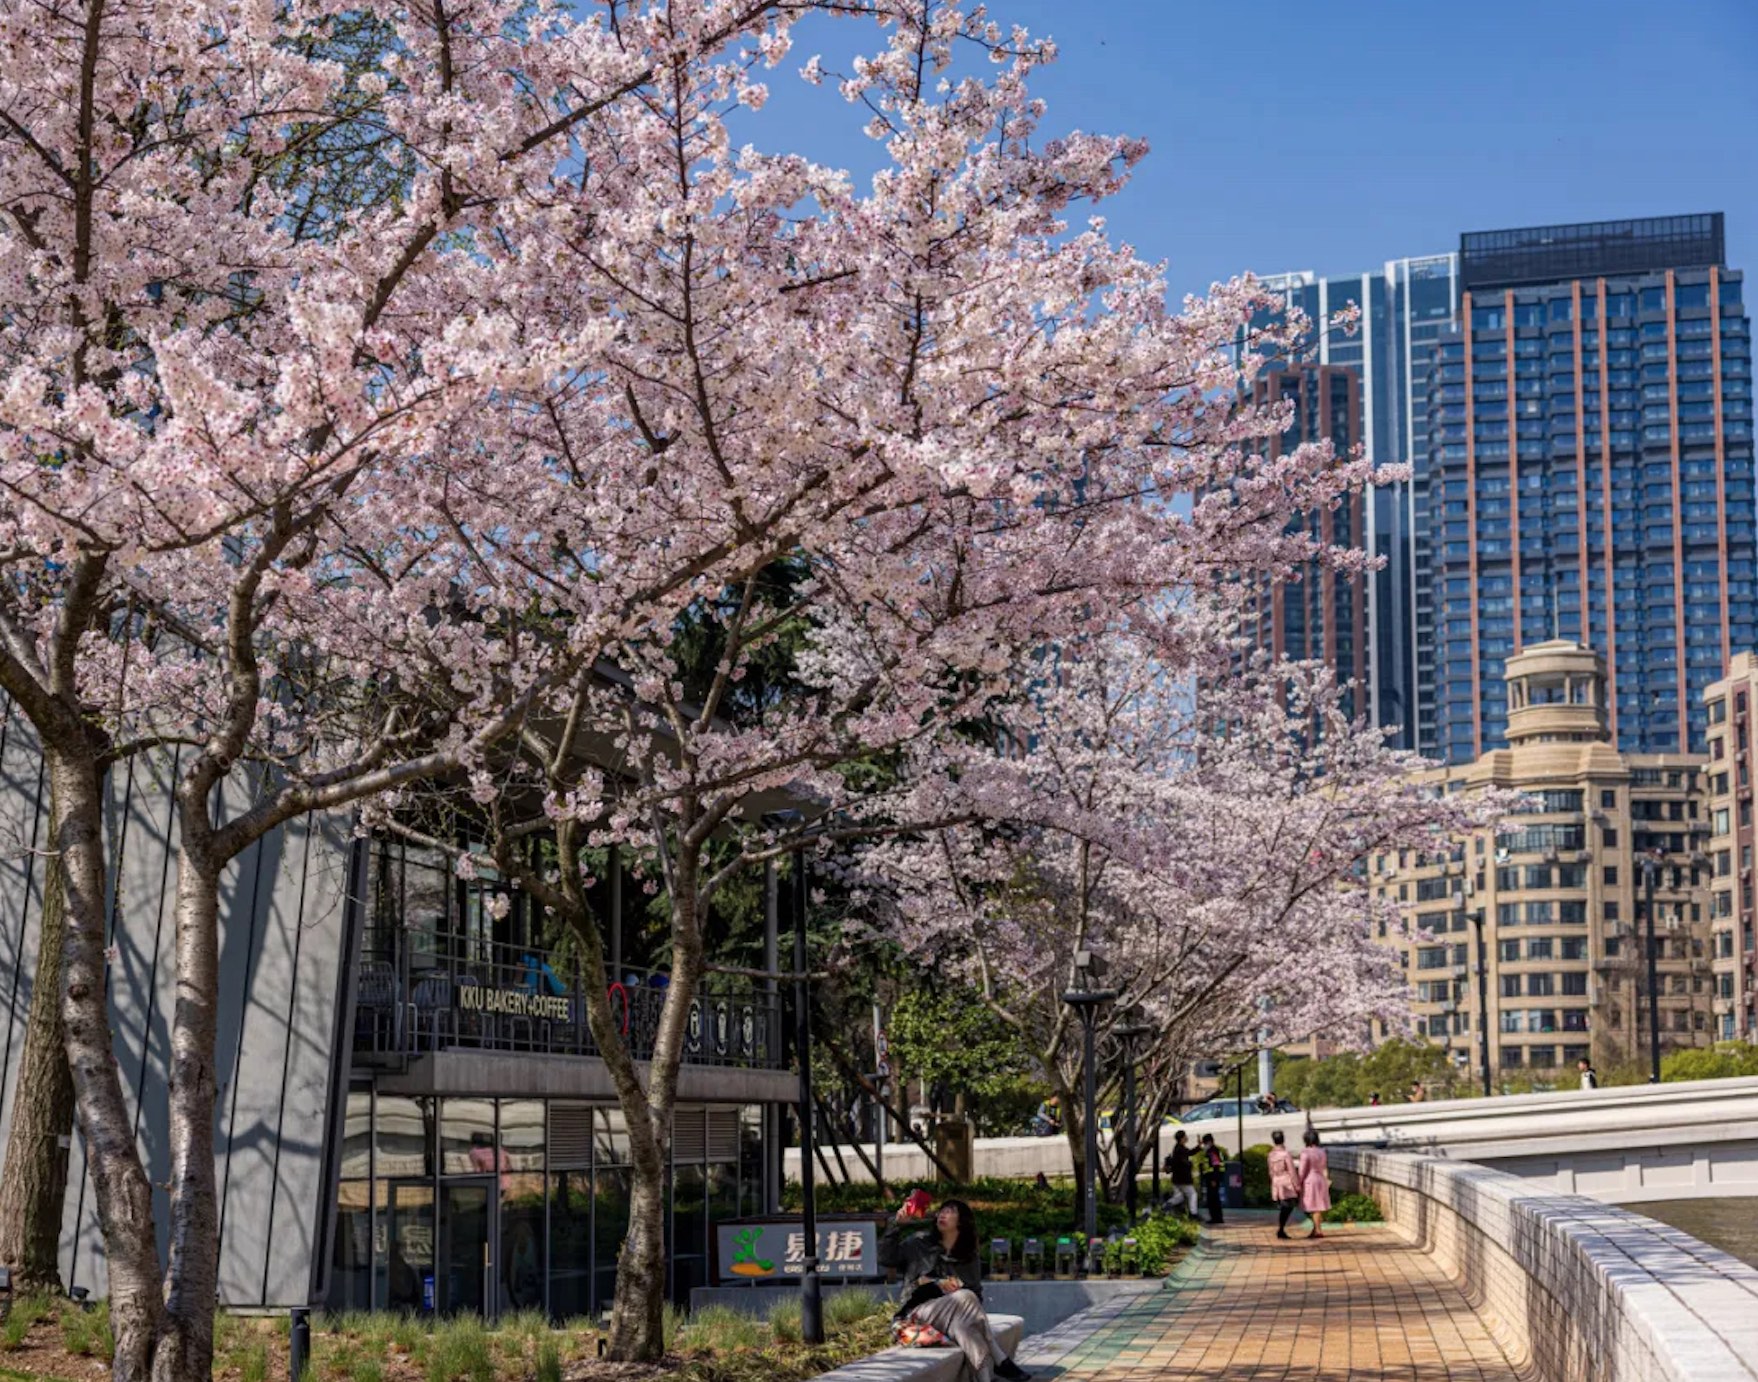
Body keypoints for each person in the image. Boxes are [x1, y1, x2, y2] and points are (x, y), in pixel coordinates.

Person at [880, 1197, 1030, 1382]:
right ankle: (999, 1358)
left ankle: (985, 1379)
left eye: (950, 1211)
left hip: (953, 1318)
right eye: (941, 1211)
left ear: (962, 1221)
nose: (942, 1214)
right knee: (965, 1295)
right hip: (917, 1314)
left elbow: (977, 1297)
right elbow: (886, 1258)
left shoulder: (968, 1256)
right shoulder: (918, 1243)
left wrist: (953, 1292)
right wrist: (896, 1225)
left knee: (964, 1328)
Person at [1297, 1129, 1331, 1240]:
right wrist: (1327, 1180)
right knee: (1318, 1205)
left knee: (1312, 1206)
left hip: (1310, 1180)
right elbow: (1325, 1167)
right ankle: (1316, 1228)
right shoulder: (1322, 1151)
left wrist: (1298, 1182)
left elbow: (1302, 1170)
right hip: (1321, 1179)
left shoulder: (1305, 1152)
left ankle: (1318, 1230)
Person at [1267, 1130, 1300, 1240]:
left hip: (1277, 1181)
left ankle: (1281, 1228)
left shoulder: (1271, 1154)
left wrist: (1273, 1183)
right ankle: (1281, 1229)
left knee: (1285, 1205)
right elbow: (1292, 1171)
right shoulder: (1286, 1154)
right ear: (1283, 1139)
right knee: (1288, 1205)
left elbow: (1270, 1171)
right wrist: (1297, 1185)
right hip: (1286, 1181)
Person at [1165, 1130, 1198, 1216]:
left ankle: (1167, 1205)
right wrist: (1190, 1164)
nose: (1187, 1138)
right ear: (1182, 1138)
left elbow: (1189, 1153)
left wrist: (1199, 1146)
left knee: (1179, 1197)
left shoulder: (1178, 1148)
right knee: (1192, 1194)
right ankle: (1193, 1213)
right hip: (1183, 1178)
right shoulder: (1180, 1149)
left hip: (1177, 1178)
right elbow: (1183, 1161)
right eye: (1185, 1136)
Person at [1199, 1133, 1225, 1226]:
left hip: (1213, 1178)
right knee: (1212, 1198)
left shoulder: (1212, 1151)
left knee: (1213, 1199)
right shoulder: (1211, 1151)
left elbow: (1216, 1165)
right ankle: (1215, 1217)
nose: (1204, 1145)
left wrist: (1214, 1179)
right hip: (1211, 1178)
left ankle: (1216, 1218)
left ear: (1209, 1142)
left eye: (1205, 1143)